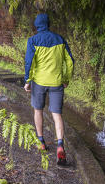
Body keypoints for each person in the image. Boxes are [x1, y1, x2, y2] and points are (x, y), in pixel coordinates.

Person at [24, 13, 74, 165]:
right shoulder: (60, 39)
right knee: (57, 114)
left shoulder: (33, 41)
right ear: (48, 24)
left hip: (39, 82)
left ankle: (41, 142)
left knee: (38, 110)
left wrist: (28, 80)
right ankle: (60, 145)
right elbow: (70, 61)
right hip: (56, 82)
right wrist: (65, 79)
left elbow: (29, 62)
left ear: (37, 25)